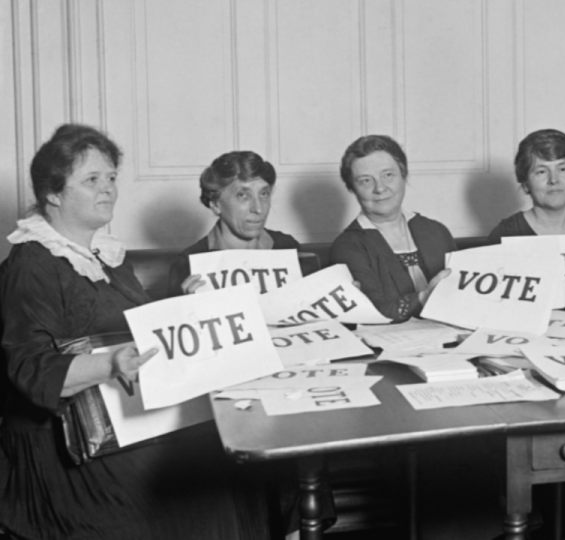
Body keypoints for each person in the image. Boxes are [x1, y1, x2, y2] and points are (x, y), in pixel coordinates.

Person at [0, 124, 271, 539]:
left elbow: (130, 326)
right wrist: (109, 363)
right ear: (53, 193)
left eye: (111, 178)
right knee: (207, 485)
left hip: (121, 421)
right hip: (64, 444)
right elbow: (31, 370)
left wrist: (183, 306)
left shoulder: (105, 256)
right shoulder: (32, 263)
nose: (108, 189)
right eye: (92, 180)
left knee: (234, 462)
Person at [330, 135, 454, 322]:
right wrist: (425, 297)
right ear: (352, 189)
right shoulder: (347, 247)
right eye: (365, 181)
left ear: (403, 176)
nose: (380, 188)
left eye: (388, 175)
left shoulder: (437, 232)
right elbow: (372, 312)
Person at [168, 150, 301, 297]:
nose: (258, 208)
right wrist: (189, 306)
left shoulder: (288, 247)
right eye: (242, 195)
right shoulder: (188, 264)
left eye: (264, 194)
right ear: (215, 205)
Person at [488, 129, 565, 243]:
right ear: (526, 183)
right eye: (541, 171)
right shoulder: (506, 234)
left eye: (562, 169)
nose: (553, 180)